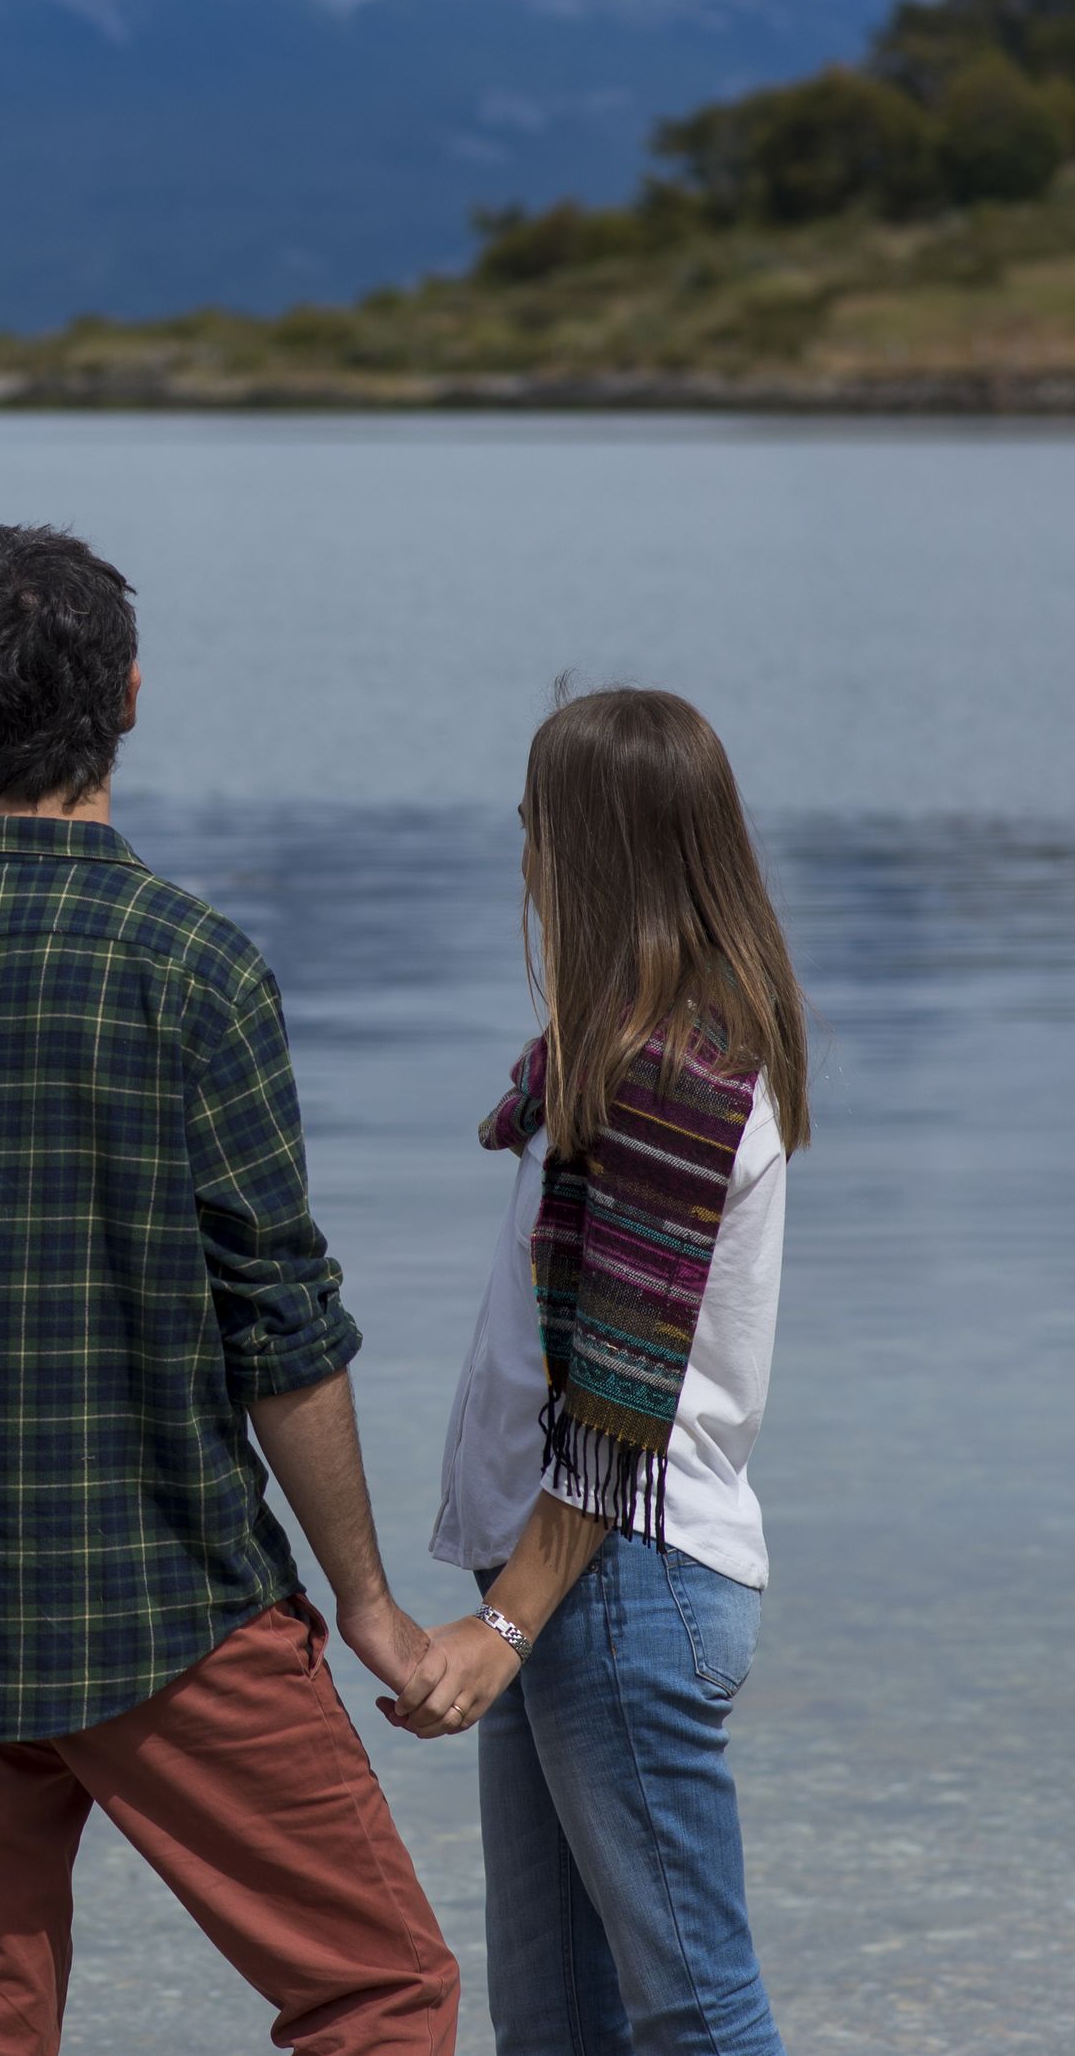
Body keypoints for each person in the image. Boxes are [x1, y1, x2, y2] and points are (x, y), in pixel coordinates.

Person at [0, 524, 462, 2056]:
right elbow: (281, 1324)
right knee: (380, 1994)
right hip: (163, 1603)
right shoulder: (193, 972)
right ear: (130, 697)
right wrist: (369, 1605)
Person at [402, 687, 810, 2056]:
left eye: (537, 825)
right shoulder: (613, 1059)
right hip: (577, 1579)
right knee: (560, 2023)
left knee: (696, 2011)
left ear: (594, 849)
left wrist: (506, 1626)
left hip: (618, 1579)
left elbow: (618, 1395)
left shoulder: (675, 1078)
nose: (524, 856)